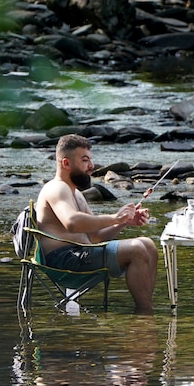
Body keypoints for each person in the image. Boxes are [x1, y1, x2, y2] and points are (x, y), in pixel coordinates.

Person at [35, 134, 158, 314]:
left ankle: (146, 308)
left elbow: (96, 236)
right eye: (85, 160)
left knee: (148, 244)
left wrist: (123, 222)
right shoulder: (57, 188)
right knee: (137, 249)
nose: (92, 166)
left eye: (90, 160)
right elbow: (72, 222)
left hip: (80, 255)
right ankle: (145, 316)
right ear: (66, 163)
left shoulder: (75, 193)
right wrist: (115, 217)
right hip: (64, 261)